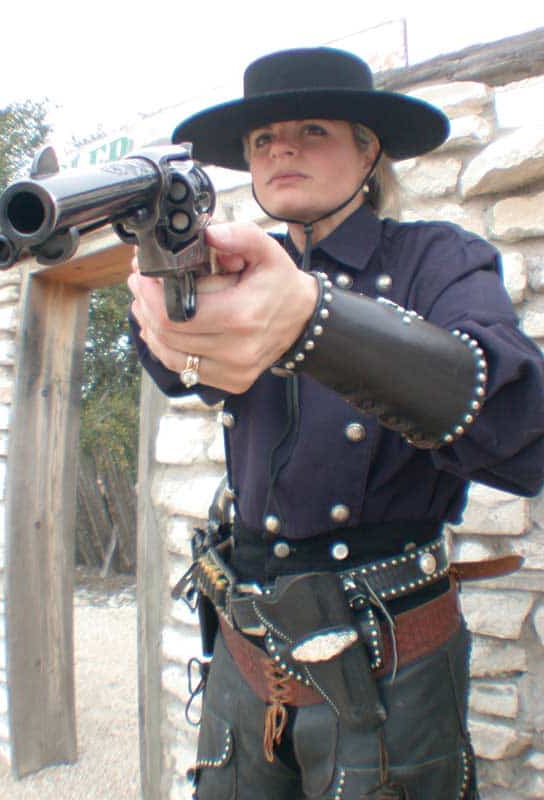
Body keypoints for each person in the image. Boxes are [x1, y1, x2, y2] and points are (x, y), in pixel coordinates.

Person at [127, 47, 544, 800]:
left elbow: (521, 432)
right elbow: (171, 371)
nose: (280, 147)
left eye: (311, 130)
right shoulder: (234, 273)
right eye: (262, 140)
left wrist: (311, 317)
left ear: (368, 149)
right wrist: (168, 281)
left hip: (389, 657)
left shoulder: (438, 258)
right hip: (244, 645)